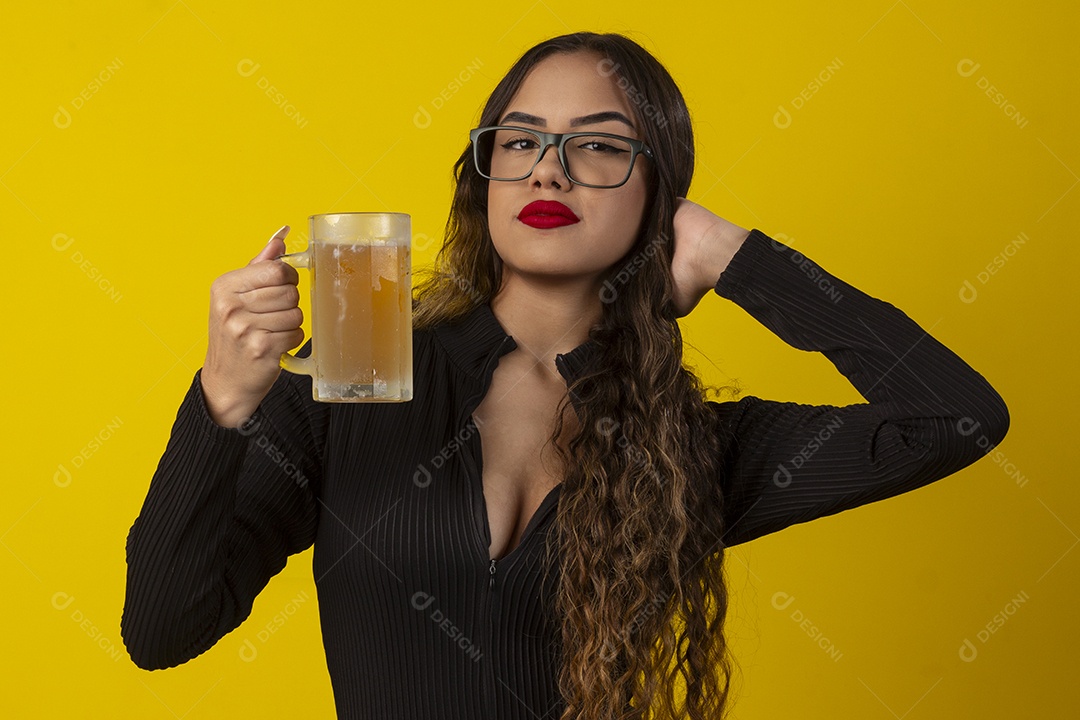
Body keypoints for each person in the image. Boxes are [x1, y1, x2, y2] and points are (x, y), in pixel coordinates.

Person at [121, 31, 1010, 720]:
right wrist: (221, 405)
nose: (548, 166)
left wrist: (735, 257)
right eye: (521, 140)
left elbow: (959, 418)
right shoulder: (357, 377)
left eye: (599, 147)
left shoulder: (684, 442)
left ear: (659, 196)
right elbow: (163, 632)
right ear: (487, 174)